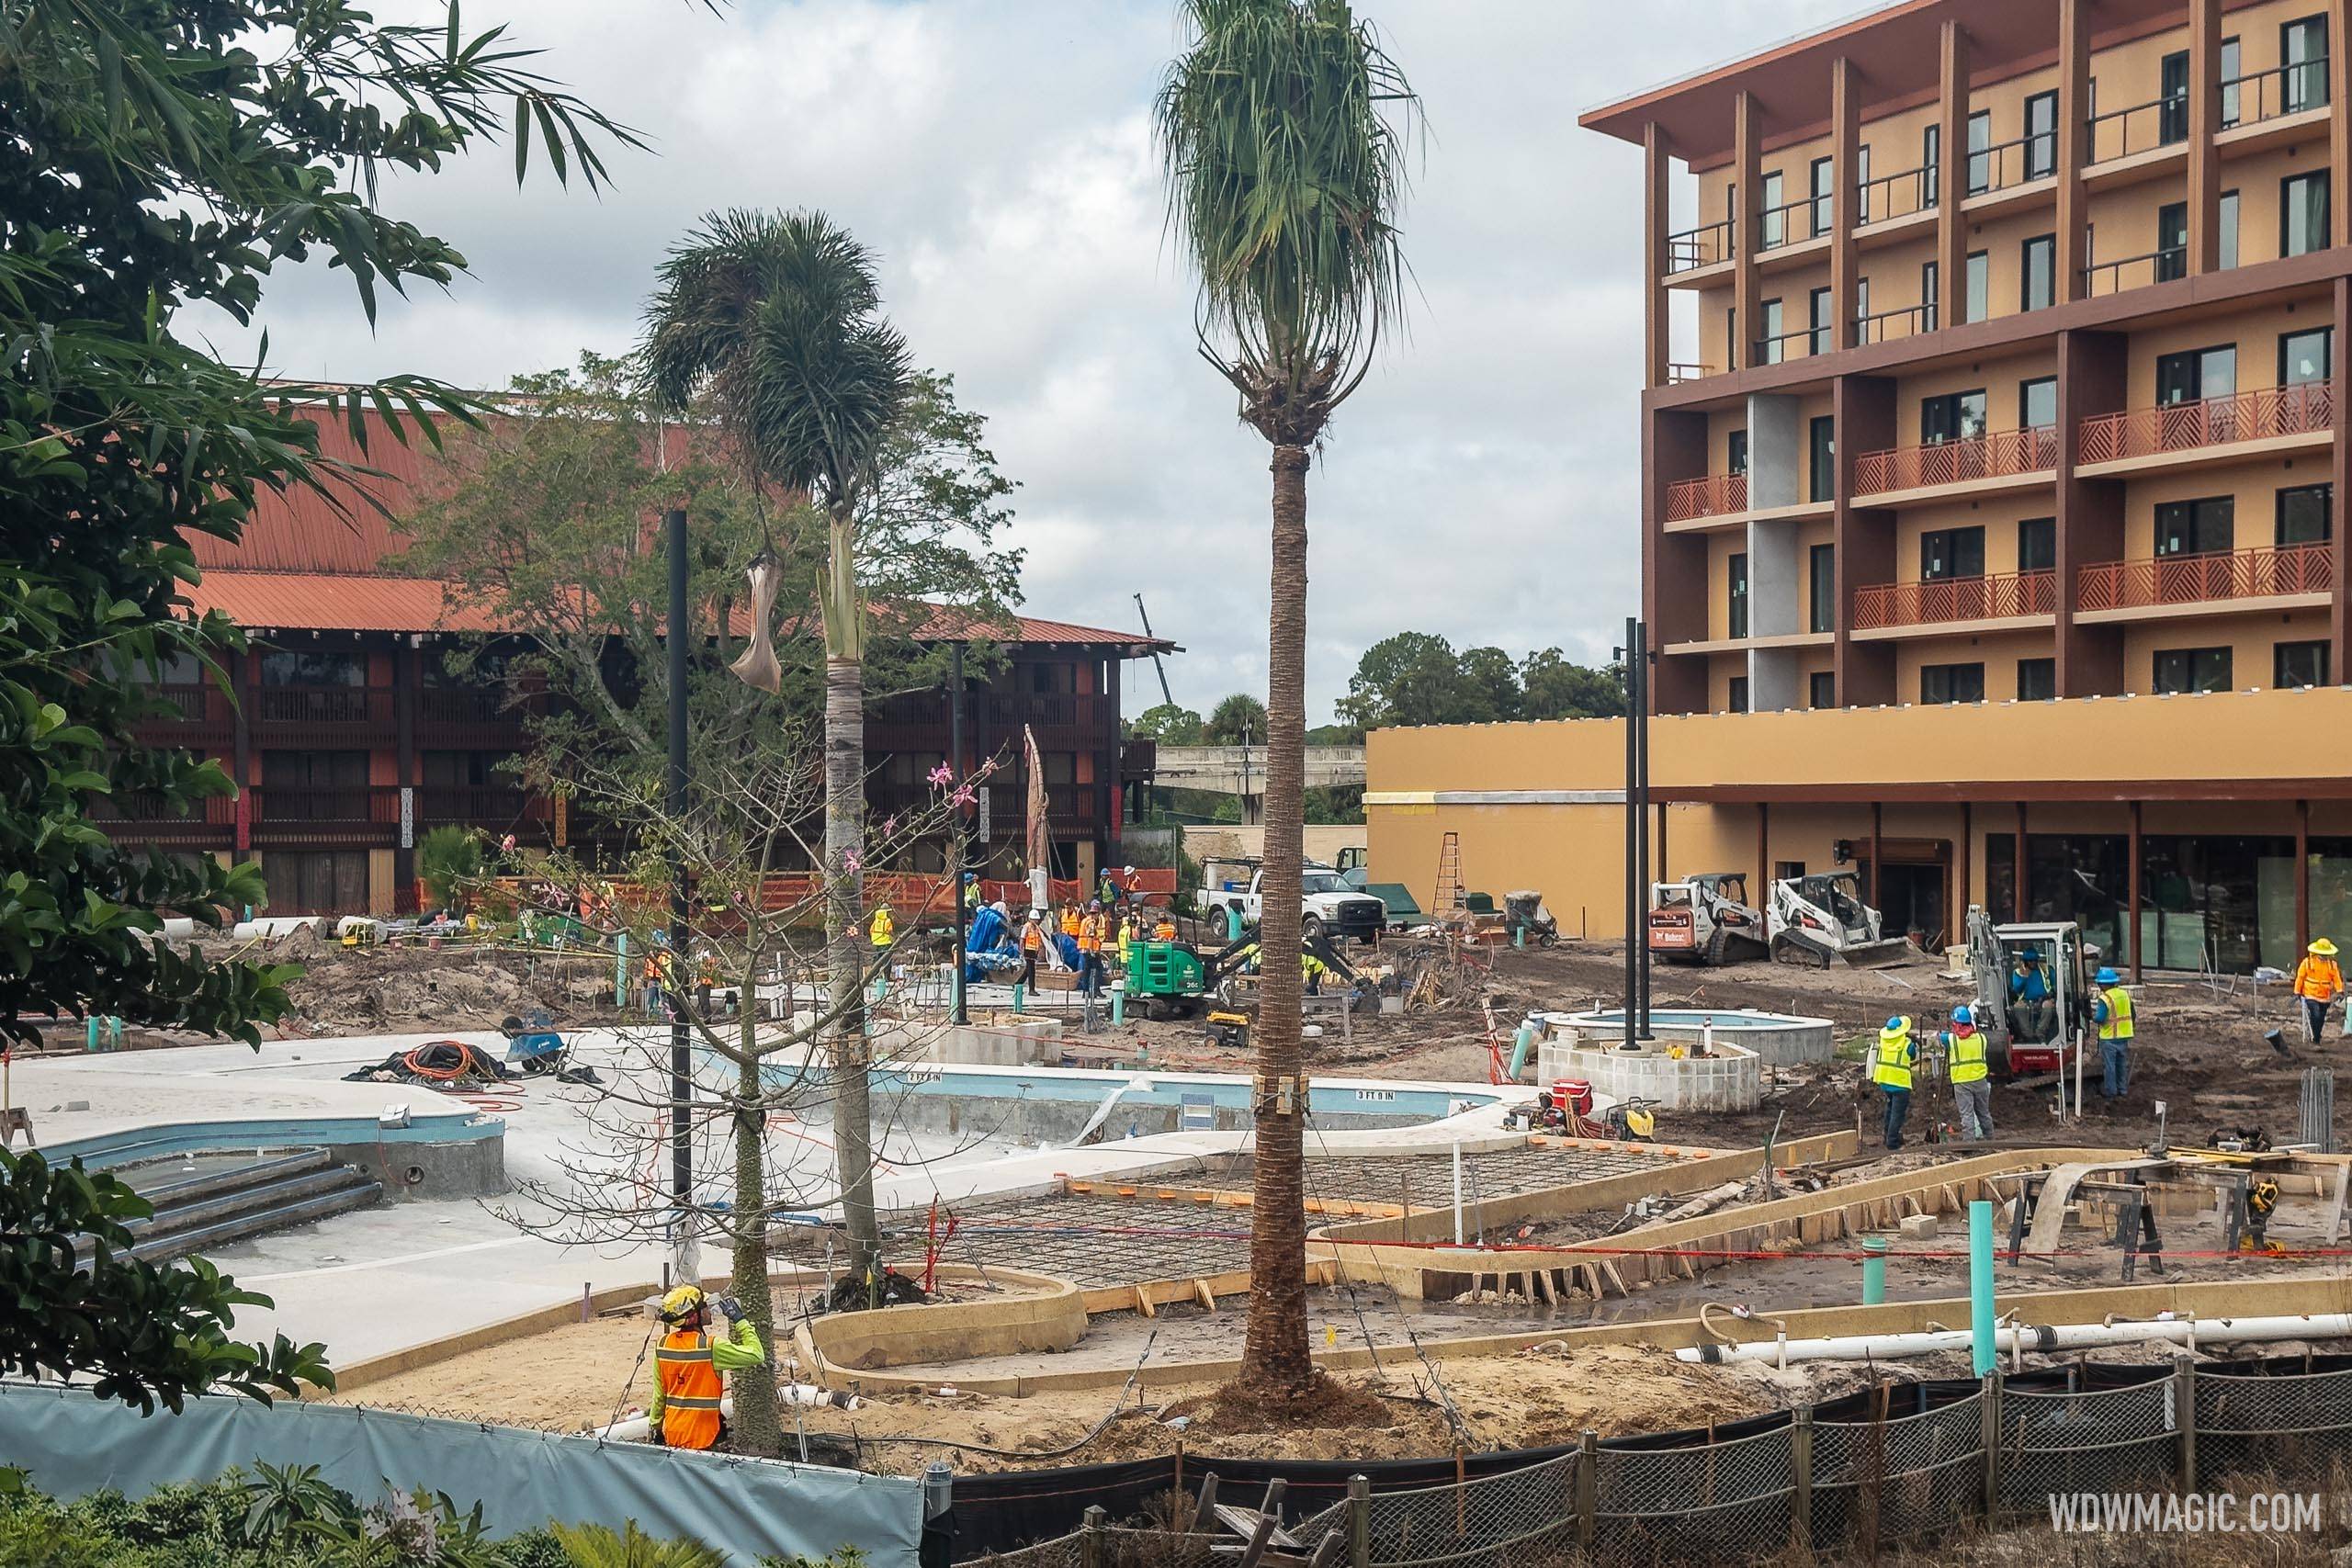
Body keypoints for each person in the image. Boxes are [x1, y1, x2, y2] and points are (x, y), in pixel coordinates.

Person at [647, 1285, 764, 1451]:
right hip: (703, 1437)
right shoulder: (710, 1347)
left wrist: (657, 1428)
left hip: (673, 1434)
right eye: (704, 1306)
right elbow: (756, 1354)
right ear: (693, 1316)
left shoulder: (662, 1345)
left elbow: (659, 1396)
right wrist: (740, 1321)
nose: (708, 1309)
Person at [1938, 1004, 1993, 1141]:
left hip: (1962, 1082)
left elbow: (1941, 1037)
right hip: (1980, 1080)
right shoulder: (1981, 1038)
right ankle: (1990, 1139)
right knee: (1984, 1113)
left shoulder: (1951, 1039)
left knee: (1967, 1114)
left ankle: (1970, 1142)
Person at [1872, 1015, 1918, 1150]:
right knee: (1897, 1113)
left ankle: (1887, 1134)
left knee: (1890, 1108)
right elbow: (1913, 1055)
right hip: (1900, 1083)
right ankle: (1892, 1142)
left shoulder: (1883, 1042)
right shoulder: (1907, 1045)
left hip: (1885, 1081)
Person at [2090, 965, 2134, 1098]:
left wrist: (2091, 1016)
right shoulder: (2125, 995)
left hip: (2109, 1038)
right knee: (2121, 1065)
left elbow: (2100, 1018)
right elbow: (2132, 1013)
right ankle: (2123, 1090)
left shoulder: (2105, 998)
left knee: (2110, 1067)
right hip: (2123, 1036)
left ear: (2103, 984)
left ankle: (2111, 1093)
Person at [2293, 938, 2343, 1043]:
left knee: (2321, 1017)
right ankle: (2315, 1038)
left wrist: (2340, 991)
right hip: (2310, 994)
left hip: (2325, 996)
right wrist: (2297, 991)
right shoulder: (2307, 963)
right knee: (2315, 1013)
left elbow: (2337, 979)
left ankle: (2316, 1036)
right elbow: (2300, 977)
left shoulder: (2332, 964)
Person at [2007, 948, 2053, 1043]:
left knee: (2048, 1005)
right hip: (2025, 1001)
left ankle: (2040, 1033)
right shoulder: (2018, 972)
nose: (2033, 963)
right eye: (2030, 961)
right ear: (2025, 961)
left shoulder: (2046, 969)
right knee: (2018, 1007)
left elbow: (2055, 984)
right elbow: (2016, 989)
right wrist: (2024, 977)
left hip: (2043, 1000)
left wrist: (2049, 995)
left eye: (2035, 960)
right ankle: (2028, 1035)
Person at [1077, 899, 1108, 998]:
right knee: (1098, 969)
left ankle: (1086, 992)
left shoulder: (1085, 920)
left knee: (1087, 970)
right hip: (1090, 950)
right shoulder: (1091, 922)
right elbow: (1090, 937)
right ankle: (1095, 990)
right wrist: (1091, 951)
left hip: (1084, 949)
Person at [1018, 908, 1046, 989]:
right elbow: (1022, 938)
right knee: (1031, 970)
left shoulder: (1036, 928)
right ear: (1030, 919)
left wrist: (1040, 948)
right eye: (1034, 920)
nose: (1036, 921)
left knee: (1028, 969)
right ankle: (1031, 989)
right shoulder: (1027, 926)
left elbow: (1038, 939)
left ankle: (1018, 983)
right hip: (1028, 950)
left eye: (1037, 920)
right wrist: (1021, 949)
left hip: (1034, 950)